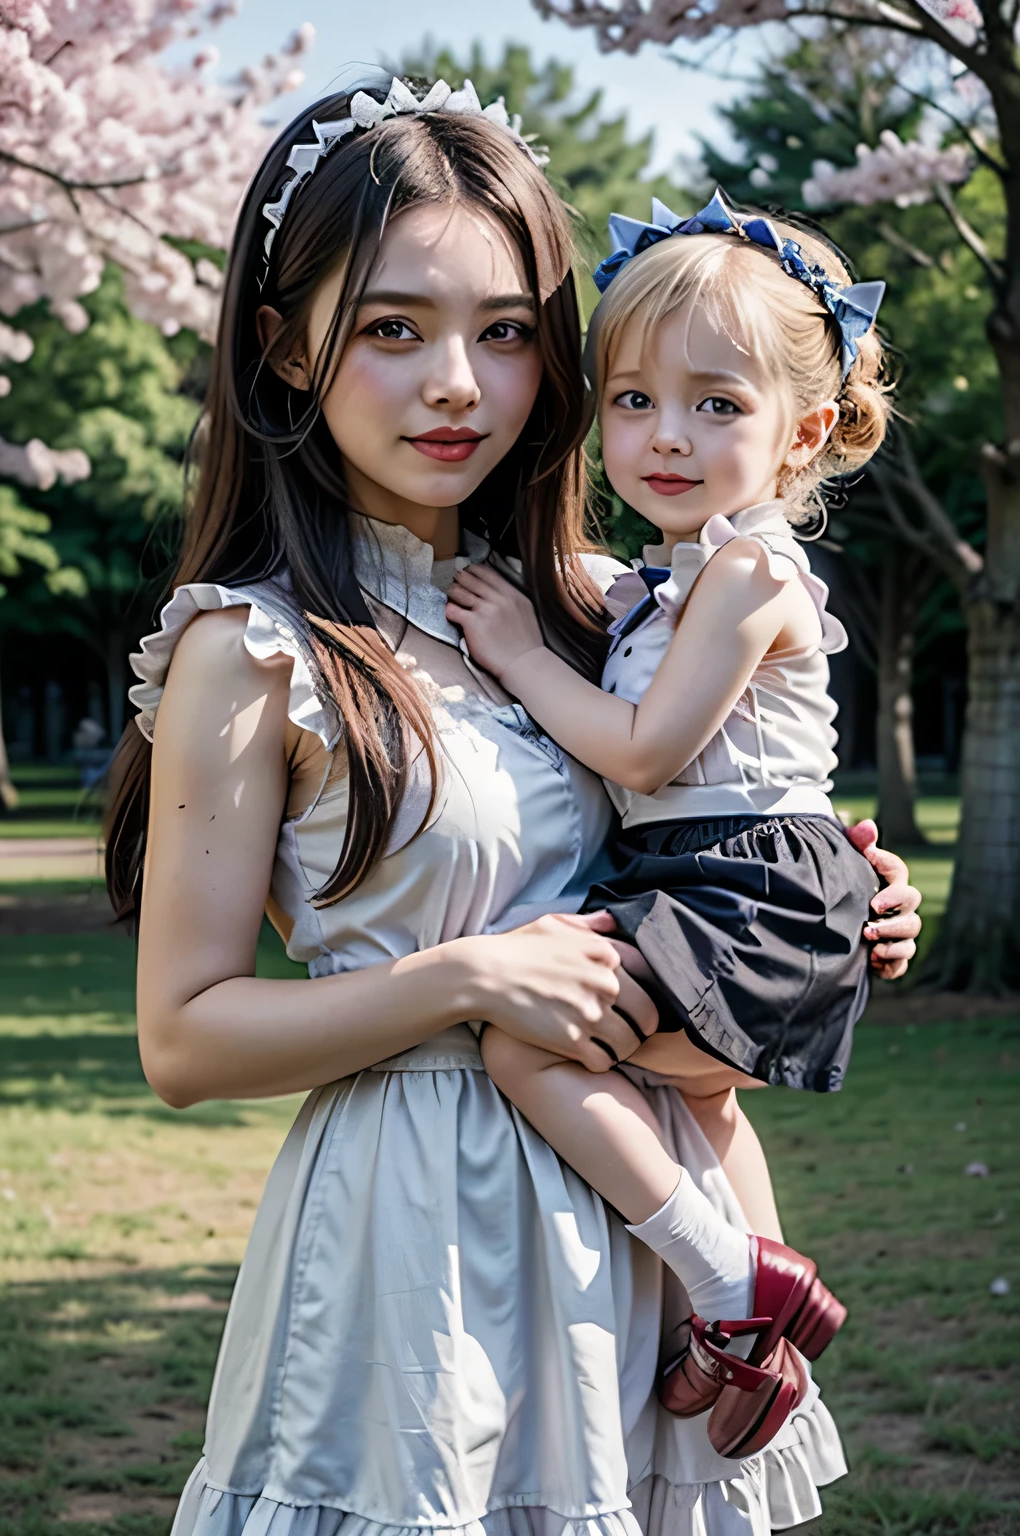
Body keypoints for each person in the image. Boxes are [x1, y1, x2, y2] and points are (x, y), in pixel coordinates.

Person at [105, 80, 921, 1536]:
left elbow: (733, 814)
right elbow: (182, 1037)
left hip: (643, 1236)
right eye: (392, 327)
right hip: (412, 1246)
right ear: (288, 347)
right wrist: (472, 977)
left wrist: (858, 896)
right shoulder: (255, 650)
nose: (458, 386)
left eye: (504, 334)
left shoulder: (606, 606)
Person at [446, 191, 896, 1454]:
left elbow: (650, 750)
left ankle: (727, 1288)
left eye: (716, 404)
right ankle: (764, 1313)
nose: (664, 437)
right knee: (703, 1108)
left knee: (527, 1048)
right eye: (633, 399)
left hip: (747, 886)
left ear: (804, 430)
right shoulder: (665, 575)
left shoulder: (746, 572)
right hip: (716, 873)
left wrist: (527, 657)